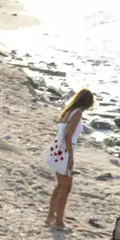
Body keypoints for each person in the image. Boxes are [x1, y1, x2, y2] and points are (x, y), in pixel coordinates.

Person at [45, 88, 94, 230]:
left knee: (60, 185)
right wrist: (71, 159)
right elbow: (68, 136)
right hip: (64, 151)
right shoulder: (77, 113)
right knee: (66, 187)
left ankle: (51, 216)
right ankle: (58, 221)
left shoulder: (67, 111)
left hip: (57, 149)